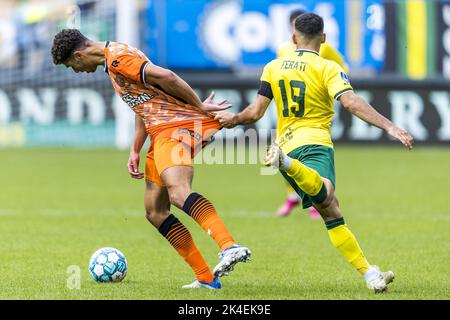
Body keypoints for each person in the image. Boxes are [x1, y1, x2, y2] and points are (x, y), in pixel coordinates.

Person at [216, 13, 414, 293]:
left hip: (286, 142)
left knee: (331, 212)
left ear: (293, 37)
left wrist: (232, 120)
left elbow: (255, 113)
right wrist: (390, 126)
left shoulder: (273, 67)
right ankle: (287, 164)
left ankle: (370, 273)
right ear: (324, 38)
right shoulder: (328, 68)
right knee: (327, 193)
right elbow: (351, 102)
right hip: (314, 142)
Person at [51, 29, 251, 290]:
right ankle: (205, 278)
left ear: (79, 54)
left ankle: (229, 245)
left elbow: (166, 76)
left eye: (72, 66)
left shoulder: (118, 59)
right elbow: (144, 103)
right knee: (155, 211)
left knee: (179, 193)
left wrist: (199, 106)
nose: (76, 71)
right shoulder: (113, 62)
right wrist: (136, 148)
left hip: (177, 127)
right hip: (159, 132)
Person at [277, 9, 348, 219]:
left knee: (310, 156)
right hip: (288, 115)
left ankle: (316, 200)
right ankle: (294, 196)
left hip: (314, 113)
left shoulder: (325, 52)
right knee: (286, 157)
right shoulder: (283, 51)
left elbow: (343, 70)